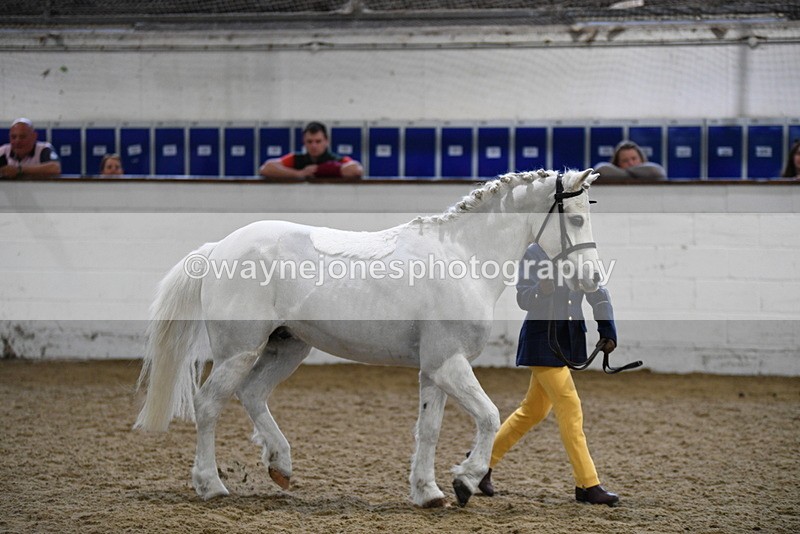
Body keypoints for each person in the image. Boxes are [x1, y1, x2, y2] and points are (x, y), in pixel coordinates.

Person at [477, 242, 620, 506]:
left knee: (533, 411)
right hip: (542, 341)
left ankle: (478, 465)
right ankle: (587, 484)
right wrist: (541, 291)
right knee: (570, 405)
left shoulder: (579, 251)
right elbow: (523, 297)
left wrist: (607, 330)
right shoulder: (533, 254)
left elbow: (597, 292)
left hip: (567, 342)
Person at [259, 121, 363, 180]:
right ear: (304, 142)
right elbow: (266, 168)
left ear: (326, 141)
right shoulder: (296, 159)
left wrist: (320, 170)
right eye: (309, 141)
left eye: (318, 141)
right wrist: (299, 174)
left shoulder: (336, 160)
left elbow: (356, 170)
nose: (313, 146)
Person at [595, 140, 666, 181]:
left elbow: (657, 172)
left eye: (634, 159)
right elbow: (601, 170)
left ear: (641, 159)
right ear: (617, 164)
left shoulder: (652, 172)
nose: (631, 163)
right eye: (625, 160)